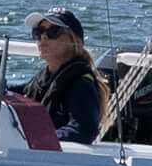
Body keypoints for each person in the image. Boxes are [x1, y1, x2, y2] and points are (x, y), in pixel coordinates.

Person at [19, 9, 106, 143]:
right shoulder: (43, 79)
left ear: (73, 40)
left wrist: (36, 139)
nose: (44, 37)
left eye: (53, 31)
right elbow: (21, 90)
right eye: (38, 31)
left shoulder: (81, 85)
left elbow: (83, 130)